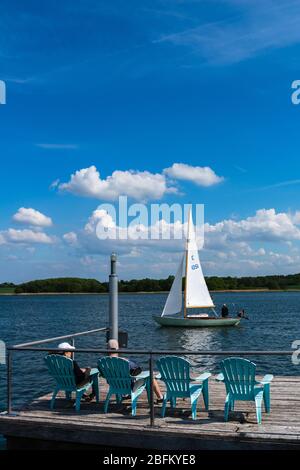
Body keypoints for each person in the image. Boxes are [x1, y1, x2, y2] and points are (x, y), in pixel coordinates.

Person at [107, 339, 164, 403]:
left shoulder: (104, 363)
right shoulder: (124, 361)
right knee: (150, 377)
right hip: (130, 387)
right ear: (118, 349)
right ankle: (160, 397)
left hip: (114, 386)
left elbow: (102, 374)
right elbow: (137, 370)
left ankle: (126, 395)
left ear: (107, 348)